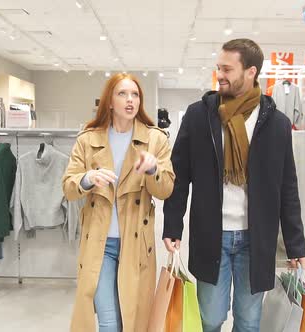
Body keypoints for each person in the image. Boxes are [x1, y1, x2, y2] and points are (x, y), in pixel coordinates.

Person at [162, 38, 305, 332]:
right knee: (210, 318)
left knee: (249, 321)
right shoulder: (199, 116)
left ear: (250, 71)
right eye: (219, 67)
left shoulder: (276, 124)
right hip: (211, 234)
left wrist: (295, 243)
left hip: (256, 239)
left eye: (227, 69)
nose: (220, 75)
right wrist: (172, 226)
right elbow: (179, 175)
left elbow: (287, 186)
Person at [62, 73, 175, 332]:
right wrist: (88, 178)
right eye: (122, 94)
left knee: (133, 320)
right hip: (100, 245)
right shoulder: (88, 139)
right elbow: (68, 188)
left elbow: (166, 189)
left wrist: (152, 170)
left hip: (136, 246)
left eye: (135, 94)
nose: (130, 100)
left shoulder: (156, 139)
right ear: (109, 101)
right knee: (109, 322)